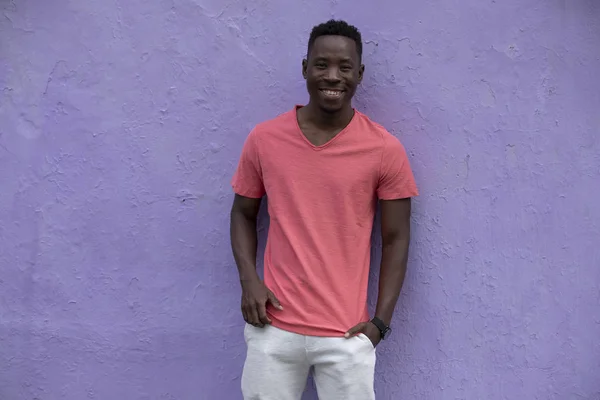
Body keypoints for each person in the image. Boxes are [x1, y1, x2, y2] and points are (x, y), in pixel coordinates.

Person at [230, 19, 418, 400]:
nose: (333, 76)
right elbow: (242, 213)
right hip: (273, 328)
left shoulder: (384, 149)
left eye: (345, 67)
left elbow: (396, 239)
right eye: (321, 64)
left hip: (346, 334)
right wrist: (249, 280)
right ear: (305, 68)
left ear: (360, 74)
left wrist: (380, 324)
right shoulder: (265, 139)